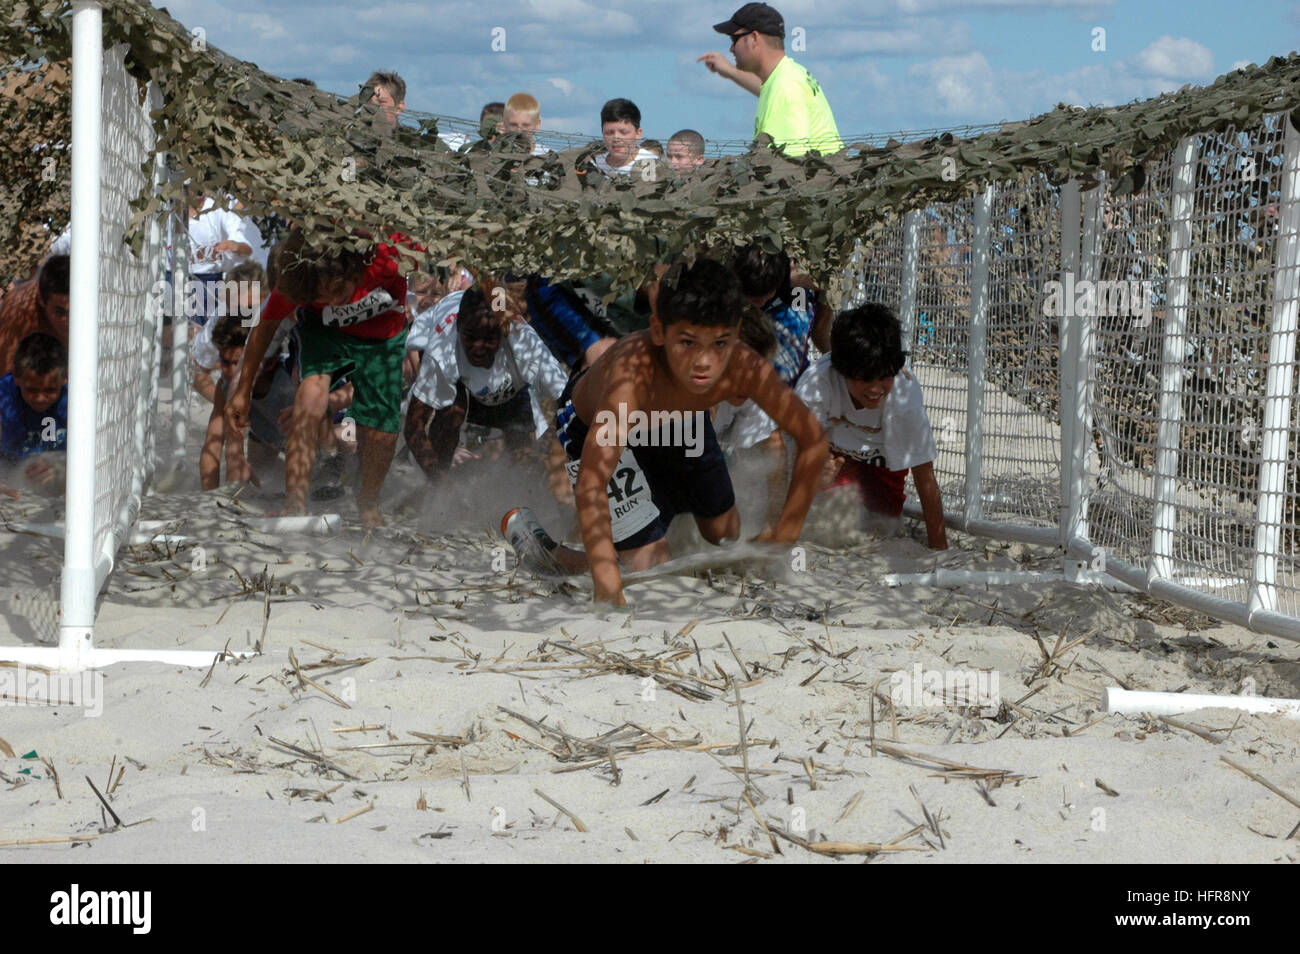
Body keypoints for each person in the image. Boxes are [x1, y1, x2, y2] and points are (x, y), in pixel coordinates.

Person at [502, 257, 828, 606]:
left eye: (720, 343)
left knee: (726, 535)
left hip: (680, 423)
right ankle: (550, 553)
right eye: (687, 342)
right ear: (658, 330)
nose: (704, 362)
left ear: (736, 333)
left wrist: (785, 536)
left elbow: (812, 441)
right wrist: (608, 590)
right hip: (598, 424)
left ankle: (654, 516)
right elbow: (593, 481)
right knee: (647, 566)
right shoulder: (631, 379)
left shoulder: (744, 365)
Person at [226, 230, 410, 526]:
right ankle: (295, 505)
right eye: (321, 297)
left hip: (383, 335)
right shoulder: (302, 276)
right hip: (324, 334)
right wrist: (242, 391)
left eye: (337, 292)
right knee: (310, 396)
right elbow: (265, 326)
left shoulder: (387, 256)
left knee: (382, 431)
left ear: (353, 270)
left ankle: (368, 504)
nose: (333, 302)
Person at [795, 304, 947, 549]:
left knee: (882, 522)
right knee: (827, 510)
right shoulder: (815, 385)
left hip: (882, 466)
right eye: (864, 379)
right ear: (841, 370)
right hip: (834, 459)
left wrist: (939, 550)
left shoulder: (904, 396)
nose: (875, 389)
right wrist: (816, 474)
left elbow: (924, 475)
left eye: (884, 377)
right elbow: (796, 455)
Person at [405, 283, 567, 482]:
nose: (479, 347)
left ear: (503, 332)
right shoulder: (442, 351)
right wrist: (442, 487)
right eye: (470, 338)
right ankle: (439, 483)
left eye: (489, 338)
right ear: (458, 329)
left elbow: (569, 402)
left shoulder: (525, 343)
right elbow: (414, 428)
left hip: (508, 387)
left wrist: (552, 451)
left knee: (524, 457)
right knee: (451, 412)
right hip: (454, 378)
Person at [700, 3, 843, 157]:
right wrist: (729, 71)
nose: (731, 49)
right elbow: (766, 91)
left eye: (734, 39)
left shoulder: (785, 86)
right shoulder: (788, 74)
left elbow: (789, 166)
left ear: (754, 38)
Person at [730, 243, 814, 385]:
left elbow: (829, 289)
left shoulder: (795, 279)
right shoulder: (726, 279)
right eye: (755, 299)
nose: (761, 302)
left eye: (766, 295)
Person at [0, 332, 68, 496]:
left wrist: (62, 465)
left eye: (50, 390)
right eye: (31, 390)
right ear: (16, 377)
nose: (40, 398)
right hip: (12, 479)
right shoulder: (4, 396)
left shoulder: (77, 398)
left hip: (60, 477)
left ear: (65, 377)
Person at [0, 255, 69, 380]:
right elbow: (9, 380)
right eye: (60, 312)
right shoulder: (18, 311)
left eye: (75, 313)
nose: (69, 321)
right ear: (42, 301)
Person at [592, 98, 658, 176]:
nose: (616, 138)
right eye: (609, 132)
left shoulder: (652, 164)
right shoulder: (594, 166)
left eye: (623, 132)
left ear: (638, 134)